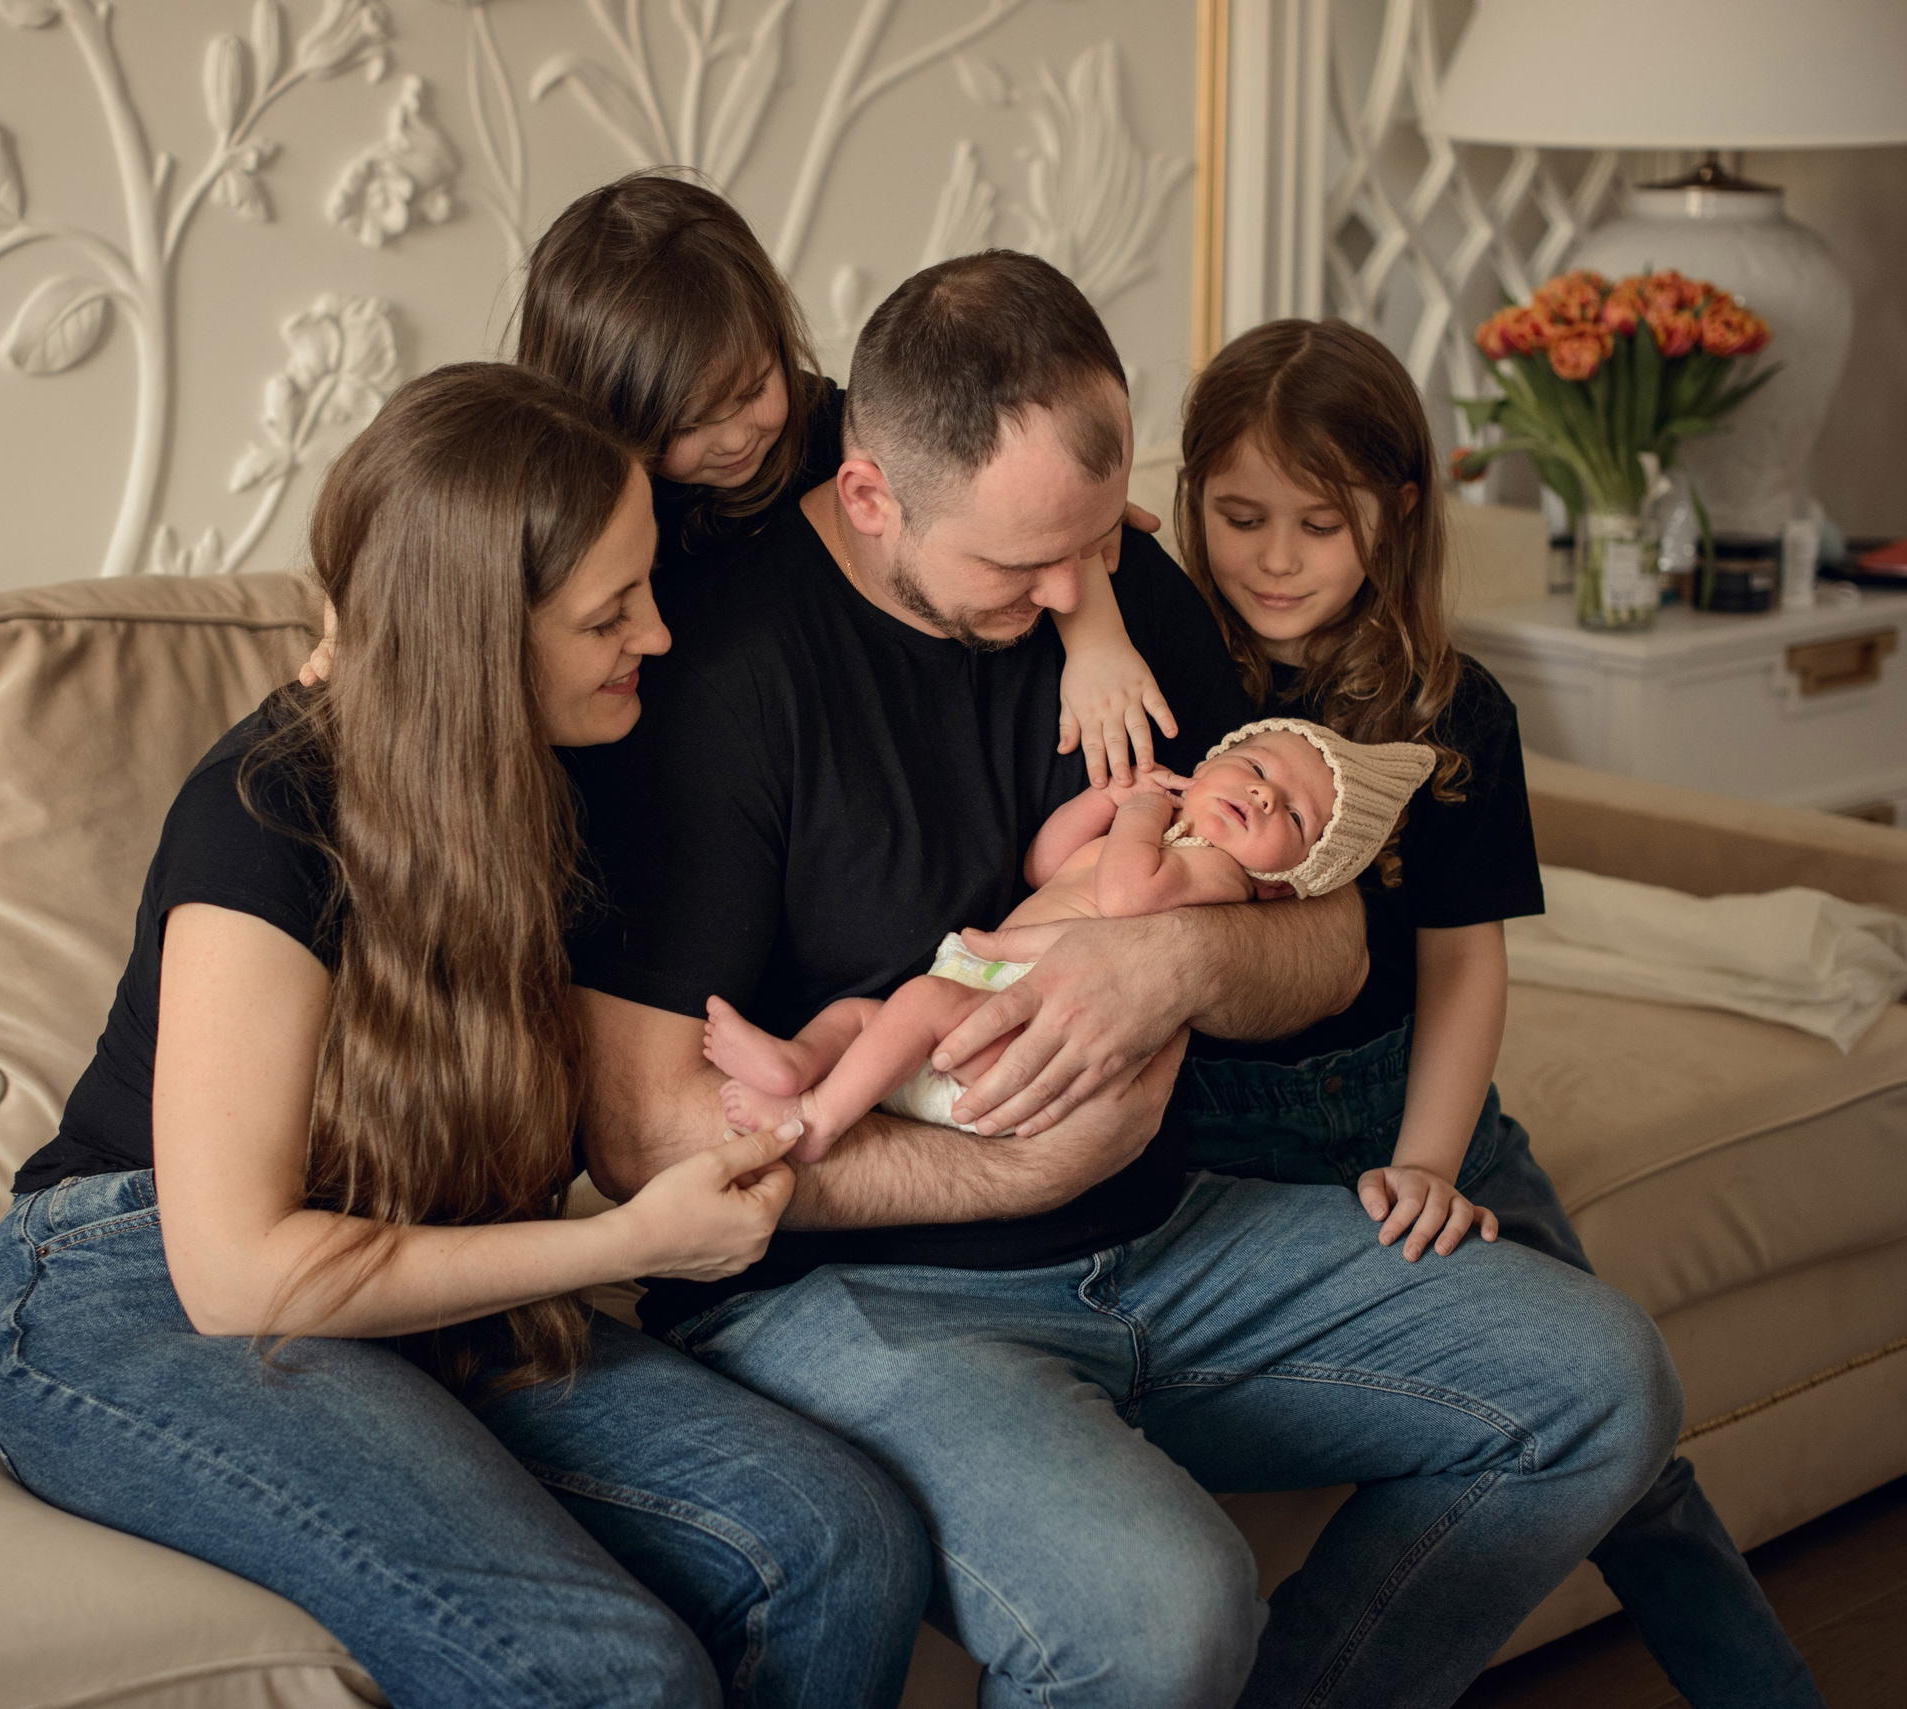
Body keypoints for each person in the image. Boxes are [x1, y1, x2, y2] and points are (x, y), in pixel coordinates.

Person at [568, 249, 1683, 1709]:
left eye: (1093, 544)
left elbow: (1332, 940)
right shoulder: (712, 681)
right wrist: (1021, 1171)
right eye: (1020, 562)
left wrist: (1171, 960)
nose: (1069, 592)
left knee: (1604, 1387)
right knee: (1165, 1612)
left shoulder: (1112, 583)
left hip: (1175, 1236)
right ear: (869, 496)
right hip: (861, 1297)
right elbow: (647, 1132)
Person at [0, 363, 932, 1709]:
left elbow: (834, 441)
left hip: (427, 1267)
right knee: (612, 1671)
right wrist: (627, 1242)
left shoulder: (575, 759)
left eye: (647, 587)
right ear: (476, 635)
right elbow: (237, 1275)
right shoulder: (266, 814)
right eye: (611, 615)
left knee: (844, 1541)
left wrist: (1098, 571)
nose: (660, 635)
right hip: (140, 1285)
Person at [1167, 317, 1826, 1704]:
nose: (1275, 556)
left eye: (1318, 521)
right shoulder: (1166, 676)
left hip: (1418, 1110)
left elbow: (1465, 963)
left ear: (1396, 515)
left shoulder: (1455, 713)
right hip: (1217, 1142)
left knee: (1628, 1445)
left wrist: (1427, 1159)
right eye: (1239, 516)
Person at [304, 171, 1179, 782]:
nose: (733, 438)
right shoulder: (577, 510)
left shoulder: (835, 436)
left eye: (752, 386)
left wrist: (1093, 625)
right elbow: (422, 530)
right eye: (684, 425)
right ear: (604, 419)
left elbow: (1045, 520)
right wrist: (353, 620)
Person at [704, 717, 1438, 1160]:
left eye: (1296, 818)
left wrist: (1143, 810)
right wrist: (1101, 800)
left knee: (918, 1003)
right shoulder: (1168, 837)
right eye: (1253, 767)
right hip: (988, 996)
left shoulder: (1221, 879)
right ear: (1213, 761)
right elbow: (1045, 865)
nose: (1263, 794)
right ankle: (796, 1063)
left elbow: (1126, 894)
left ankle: (819, 1123)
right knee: (868, 1015)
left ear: (1287, 880)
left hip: (1029, 1038)